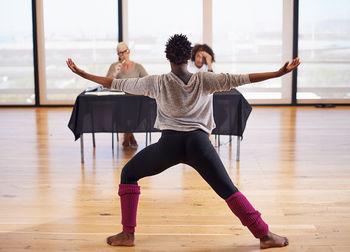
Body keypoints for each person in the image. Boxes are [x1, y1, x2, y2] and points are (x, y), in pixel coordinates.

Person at [66, 34, 300, 249]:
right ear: (189, 56)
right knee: (228, 189)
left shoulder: (156, 82)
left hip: (169, 146)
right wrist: (278, 74)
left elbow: (113, 83)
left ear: (168, 58)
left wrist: (82, 73)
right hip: (199, 145)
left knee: (129, 174)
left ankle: (128, 234)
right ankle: (264, 235)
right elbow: (242, 79)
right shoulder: (205, 80)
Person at [106, 42, 148, 148]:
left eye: (126, 51)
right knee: (123, 111)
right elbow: (106, 85)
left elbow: (148, 80)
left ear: (129, 52)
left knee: (136, 110)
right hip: (120, 100)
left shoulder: (138, 66)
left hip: (135, 99)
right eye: (120, 53)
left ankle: (127, 136)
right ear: (118, 55)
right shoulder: (114, 66)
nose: (124, 55)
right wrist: (115, 73)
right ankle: (130, 137)